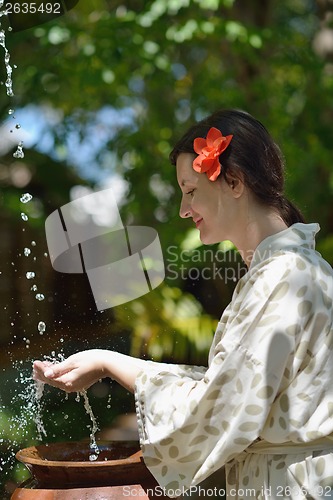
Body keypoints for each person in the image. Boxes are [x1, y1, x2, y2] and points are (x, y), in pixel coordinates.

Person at [33, 109, 333, 499]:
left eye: (190, 190)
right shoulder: (297, 269)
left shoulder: (282, 277)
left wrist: (112, 363)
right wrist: (109, 361)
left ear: (234, 181)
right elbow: (225, 386)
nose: (183, 209)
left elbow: (211, 411)